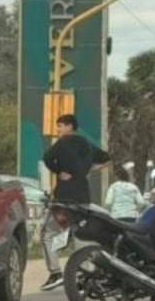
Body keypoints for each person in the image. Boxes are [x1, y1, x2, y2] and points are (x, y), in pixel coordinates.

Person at [39, 114, 111, 290]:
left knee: (47, 234)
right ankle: (86, 276)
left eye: (60, 126)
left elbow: (47, 158)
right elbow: (107, 159)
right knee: (80, 235)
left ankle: (55, 273)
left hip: (64, 199)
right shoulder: (87, 144)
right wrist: (88, 171)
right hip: (83, 199)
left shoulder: (62, 142)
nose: (58, 129)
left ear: (70, 127)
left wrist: (59, 171)